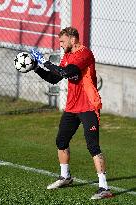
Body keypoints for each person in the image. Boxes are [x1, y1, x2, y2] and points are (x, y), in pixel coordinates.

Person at [30, 27, 113, 200]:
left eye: (62, 41)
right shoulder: (67, 56)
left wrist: (45, 62)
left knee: (92, 146)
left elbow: (66, 72)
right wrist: (36, 68)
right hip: (72, 107)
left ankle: (104, 188)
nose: (60, 45)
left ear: (73, 39)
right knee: (61, 141)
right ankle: (65, 177)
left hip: (89, 107)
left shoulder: (85, 54)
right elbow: (55, 77)